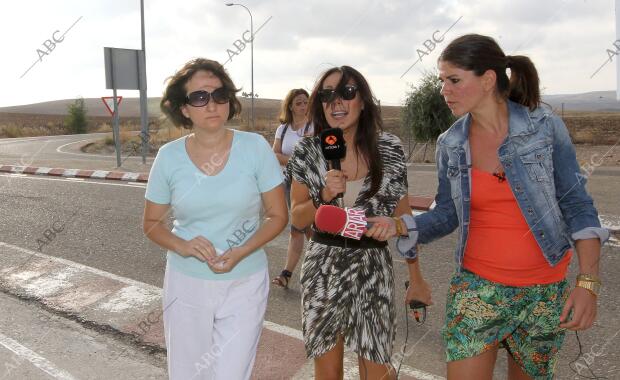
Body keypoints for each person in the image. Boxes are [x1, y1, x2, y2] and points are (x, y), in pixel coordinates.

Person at [396, 34, 609, 380]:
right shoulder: (450, 143)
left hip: (544, 292)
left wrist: (587, 284)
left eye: (453, 80)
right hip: (477, 290)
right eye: (441, 81)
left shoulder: (544, 126)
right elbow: (447, 213)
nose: (443, 90)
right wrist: (402, 226)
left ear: (488, 79)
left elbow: (577, 204)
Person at [142, 58, 287, 380]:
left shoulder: (255, 148)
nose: (211, 104)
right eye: (199, 97)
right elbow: (151, 223)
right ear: (183, 108)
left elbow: (277, 216)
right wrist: (183, 245)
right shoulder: (169, 157)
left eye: (220, 95)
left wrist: (241, 251)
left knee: (231, 374)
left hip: (245, 282)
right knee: (188, 373)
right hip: (186, 284)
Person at [288, 65, 433, 379]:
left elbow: (404, 217)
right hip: (322, 267)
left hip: (373, 267)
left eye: (347, 93)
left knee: (378, 372)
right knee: (328, 373)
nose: (336, 103)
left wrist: (416, 277)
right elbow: (297, 216)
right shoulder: (308, 151)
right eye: (327, 95)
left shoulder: (389, 148)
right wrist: (323, 195)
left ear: (364, 101)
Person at [271, 88, 314, 288]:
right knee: (298, 228)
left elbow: (314, 157)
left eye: (306, 102)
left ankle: (320, 267)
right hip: (289, 183)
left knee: (308, 228)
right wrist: (296, 161)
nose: (303, 106)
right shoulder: (284, 129)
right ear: (290, 106)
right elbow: (275, 154)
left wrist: (289, 161)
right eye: (299, 103)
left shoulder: (314, 126)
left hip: (311, 184)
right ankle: (287, 274)